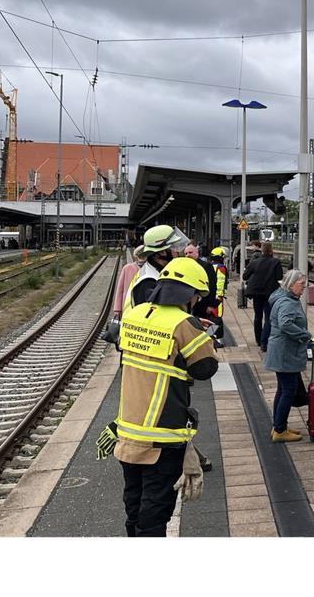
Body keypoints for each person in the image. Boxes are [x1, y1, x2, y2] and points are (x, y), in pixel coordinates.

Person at [113, 256, 218, 536]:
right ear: (190, 295)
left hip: (128, 433)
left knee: (134, 506)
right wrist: (200, 334)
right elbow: (206, 367)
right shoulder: (185, 324)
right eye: (197, 296)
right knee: (155, 514)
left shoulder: (134, 315)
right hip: (163, 437)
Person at [264, 269, 311, 442]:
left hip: (281, 350)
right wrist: (304, 335)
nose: (303, 288)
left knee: (282, 390)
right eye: (301, 285)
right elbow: (285, 324)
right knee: (288, 391)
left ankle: (279, 425)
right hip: (285, 352)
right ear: (290, 285)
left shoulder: (283, 297)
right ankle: (280, 431)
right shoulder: (288, 303)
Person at [125, 225, 190, 311]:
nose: (178, 252)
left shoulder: (155, 271)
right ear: (162, 252)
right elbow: (151, 319)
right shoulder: (148, 282)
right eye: (174, 247)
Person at [243, 243, 283, 347]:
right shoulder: (276, 262)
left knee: (258, 316)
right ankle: (265, 341)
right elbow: (279, 276)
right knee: (268, 317)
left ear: (262, 251)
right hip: (270, 294)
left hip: (256, 293)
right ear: (271, 251)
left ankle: (258, 339)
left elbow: (245, 276)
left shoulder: (255, 262)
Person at [113, 245, 146, 321]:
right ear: (136, 256)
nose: (142, 257)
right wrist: (117, 309)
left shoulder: (150, 268)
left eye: (144, 255)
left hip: (143, 307)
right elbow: (120, 290)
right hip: (127, 306)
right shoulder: (127, 268)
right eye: (140, 255)